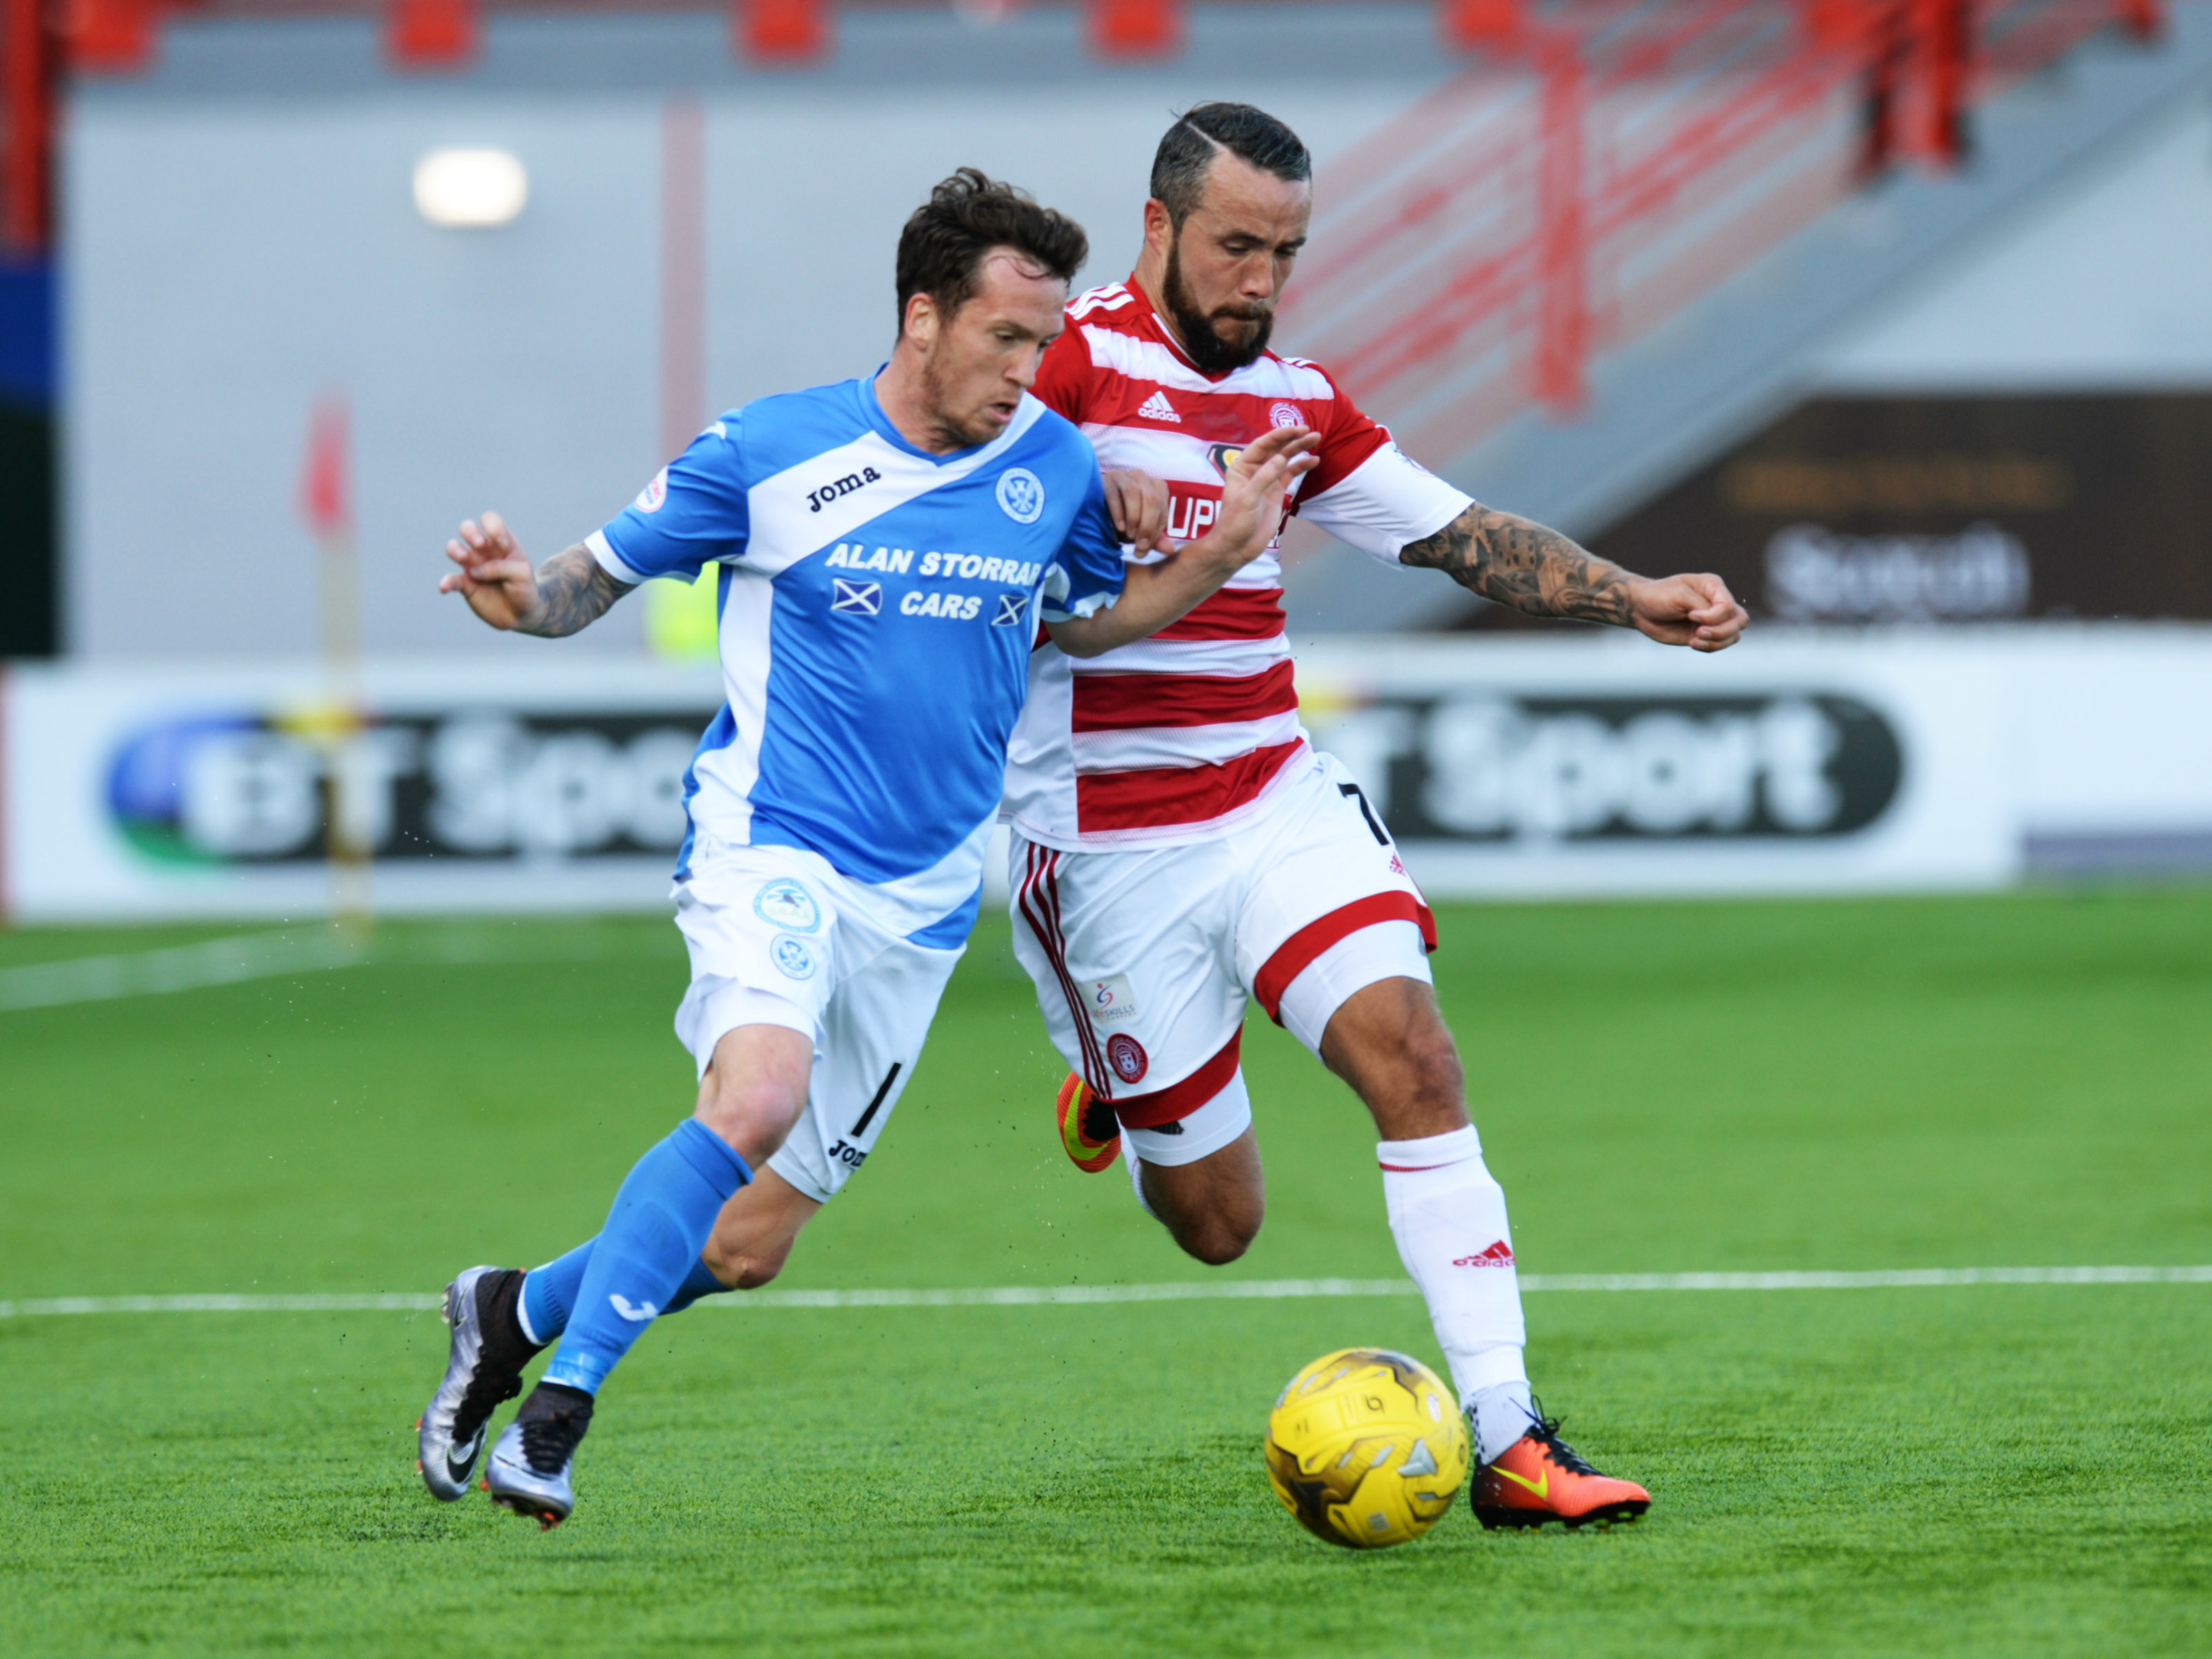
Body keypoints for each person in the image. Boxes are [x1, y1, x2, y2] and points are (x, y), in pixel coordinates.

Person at [414, 167, 1317, 1528]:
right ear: (923, 318)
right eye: (1009, 339)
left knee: (749, 1242)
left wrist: (1214, 554)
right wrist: (512, 595)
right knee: (758, 1095)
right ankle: (559, 1412)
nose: (1033, 371)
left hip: (924, 898)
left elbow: (1082, 623)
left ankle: (513, 1307)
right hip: (773, 844)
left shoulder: (1051, 467)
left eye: (1047, 342)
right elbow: (573, 588)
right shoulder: (770, 451)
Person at [995, 103, 1747, 1532]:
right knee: (1219, 1226)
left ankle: (1516, 1437)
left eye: (1285, 251)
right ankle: (1112, 1076)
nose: (1261, 280)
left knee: (1416, 1057)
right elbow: (961, 466)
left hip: (1272, 795)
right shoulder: (1068, 363)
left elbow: (1457, 531)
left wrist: (1636, 595)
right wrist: (1101, 481)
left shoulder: (1297, 396)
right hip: (1104, 845)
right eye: (1234, 247)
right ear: (1157, 229)